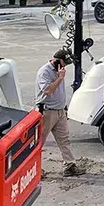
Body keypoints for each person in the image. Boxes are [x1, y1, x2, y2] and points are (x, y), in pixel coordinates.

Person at [35, 49, 85, 177]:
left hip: (59, 111)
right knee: (38, 142)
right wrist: (60, 77)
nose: (65, 66)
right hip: (47, 112)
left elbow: (59, 92)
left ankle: (69, 166)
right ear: (57, 61)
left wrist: (64, 107)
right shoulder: (44, 72)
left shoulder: (59, 70)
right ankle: (34, 169)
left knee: (64, 140)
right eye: (64, 63)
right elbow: (48, 90)